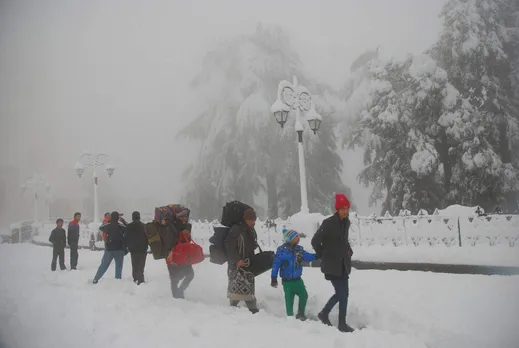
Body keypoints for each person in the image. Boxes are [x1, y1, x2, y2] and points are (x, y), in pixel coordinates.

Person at [311, 193, 355, 333]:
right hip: (332, 265)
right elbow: (315, 241)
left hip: (343, 264)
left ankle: (336, 320)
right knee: (341, 293)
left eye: (347, 208)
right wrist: (322, 254)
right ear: (337, 209)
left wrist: (348, 250)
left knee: (344, 294)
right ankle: (329, 317)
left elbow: (343, 240)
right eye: (342, 208)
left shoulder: (346, 222)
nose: (345, 211)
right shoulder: (328, 223)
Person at [271, 229, 316, 320]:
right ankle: (290, 318)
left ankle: (301, 314)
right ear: (290, 238)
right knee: (289, 299)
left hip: (298, 280)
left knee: (304, 295)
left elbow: (309, 257)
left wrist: (318, 255)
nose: (298, 237)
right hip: (287, 282)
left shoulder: (299, 250)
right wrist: (273, 278)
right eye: (296, 236)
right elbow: (276, 265)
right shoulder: (281, 251)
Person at [225, 208, 260, 313]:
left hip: (247, 262)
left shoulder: (250, 229)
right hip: (237, 264)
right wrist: (236, 261)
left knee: (247, 285)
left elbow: (252, 244)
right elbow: (229, 246)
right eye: (252, 220)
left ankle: (250, 307)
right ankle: (234, 309)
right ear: (246, 219)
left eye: (254, 219)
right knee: (236, 287)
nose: (254, 222)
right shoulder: (236, 229)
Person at [165, 209, 194, 298]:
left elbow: (186, 242)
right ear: (179, 217)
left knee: (190, 274)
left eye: (186, 217)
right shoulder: (171, 227)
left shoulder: (185, 226)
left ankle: (180, 291)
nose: (186, 218)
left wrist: (187, 236)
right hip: (173, 255)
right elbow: (170, 242)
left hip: (184, 255)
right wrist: (181, 234)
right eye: (184, 216)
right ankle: (176, 296)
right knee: (174, 277)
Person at [93, 211, 127, 283]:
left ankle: (96, 278)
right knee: (118, 266)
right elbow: (126, 229)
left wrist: (109, 220)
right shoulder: (120, 226)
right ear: (118, 217)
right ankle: (117, 280)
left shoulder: (108, 225)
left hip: (109, 248)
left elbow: (101, 227)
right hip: (119, 248)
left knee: (104, 264)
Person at [125, 211, 148, 285]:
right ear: (139, 217)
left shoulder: (129, 226)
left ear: (132, 217)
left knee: (134, 264)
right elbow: (147, 237)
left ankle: (135, 278)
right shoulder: (144, 226)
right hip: (143, 249)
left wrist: (127, 246)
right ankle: (141, 279)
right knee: (141, 265)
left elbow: (126, 237)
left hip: (133, 249)